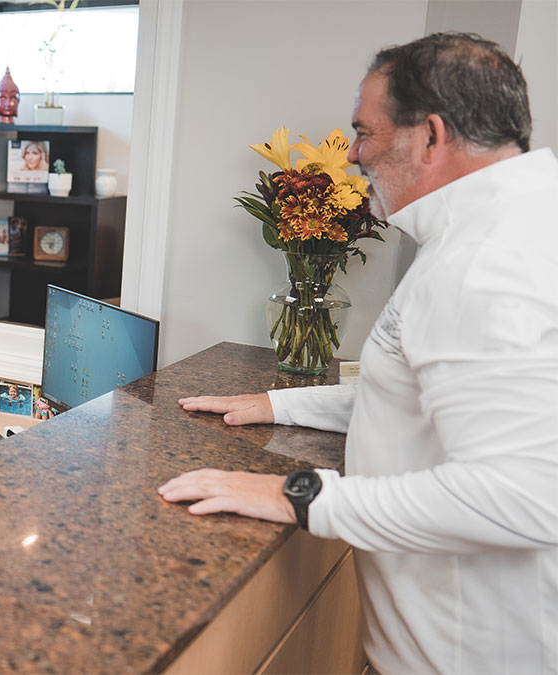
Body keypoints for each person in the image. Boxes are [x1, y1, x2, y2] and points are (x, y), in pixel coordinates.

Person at [159, 33, 557, 673]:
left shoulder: (483, 263)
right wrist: (279, 403)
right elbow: (421, 393)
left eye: (364, 133)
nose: (350, 154)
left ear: (430, 137)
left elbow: (526, 496)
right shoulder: (519, 223)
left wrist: (298, 494)